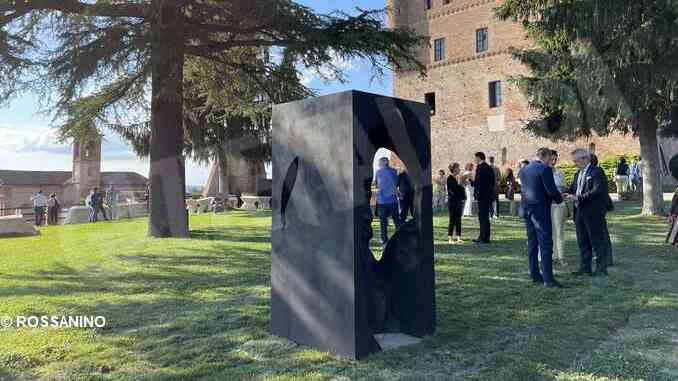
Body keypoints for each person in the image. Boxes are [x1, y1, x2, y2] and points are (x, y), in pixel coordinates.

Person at [519, 148, 565, 288]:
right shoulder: (545, 169)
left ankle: (534, 274)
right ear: (547, 156)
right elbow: (551, 190)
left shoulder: (525, 169)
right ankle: (548, 279)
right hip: (540, 210)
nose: (551, 161)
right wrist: (560, 199)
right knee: (545, 243)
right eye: (551, 158)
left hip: (527, 208)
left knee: (532, 243)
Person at [567, 149, 610, 276]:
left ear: (585, 159)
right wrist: (563, 192)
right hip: (579, 211)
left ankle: (601, 269)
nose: (575, 163)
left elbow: (597, 190)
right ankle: (585, 268)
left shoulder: (597, 171)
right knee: (582, 240)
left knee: (596, 240)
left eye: (576, 161)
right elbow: (573, 189)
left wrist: (578, 197)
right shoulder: (577, 174)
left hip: (593, 212)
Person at [591, 153, 615, 267]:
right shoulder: (595, 171)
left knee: (602, 233)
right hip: (596, 207)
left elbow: (597, 190)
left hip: (598, 207)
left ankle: (607, 259)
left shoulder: (597, 172)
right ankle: (603, 257)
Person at [374, 157, 401, 248]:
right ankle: (400, 238)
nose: (378, 164)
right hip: (392, 200)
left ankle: (384, 241)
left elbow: (376, 184)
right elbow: (397, 183)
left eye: (379, 163)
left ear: (383, 163)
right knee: (397, 220)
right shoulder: (394, 171)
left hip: (382, 201)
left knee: (383, 222)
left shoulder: (378, 172)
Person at [472, 152, 496, 244]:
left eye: (475, 158)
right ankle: (483, 236)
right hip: (487, 195)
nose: (474, 160)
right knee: (483, 217)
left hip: (483, 196)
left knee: (483, 217)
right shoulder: (488, 167)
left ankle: (484, 238)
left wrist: (471, 181)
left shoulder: (481, 167)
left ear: (479, 158)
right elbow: (492, 181)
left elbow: (479, 182)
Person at [549, 150, 568, 266]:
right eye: (552, 159)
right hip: (546, 205)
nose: (554, 161)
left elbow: (564, 188)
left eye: (556, 159)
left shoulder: (560, 173)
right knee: (547, 231)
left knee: (559, 231)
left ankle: (560, 257)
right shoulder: (543, 172)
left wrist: (562, 190)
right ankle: (549, 256)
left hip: (558, 205)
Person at [447, 163, 466, 244]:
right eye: (458, 167)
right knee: (452, 220)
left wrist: (461, 186)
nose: (459, 169)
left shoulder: (457, 178)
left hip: (458, 201)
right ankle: (450, 238)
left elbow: (461, 190)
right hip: (452, 202)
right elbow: (452, 191)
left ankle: (458, 237)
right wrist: (460, 186)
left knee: (458, 220)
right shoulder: (450, 178)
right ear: (454, 169)